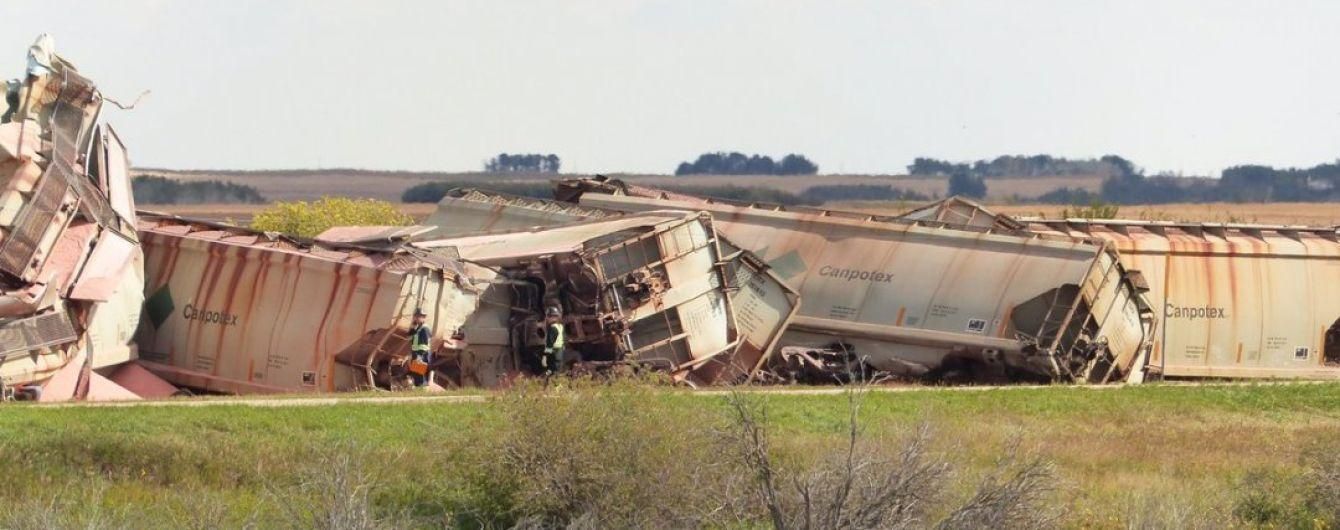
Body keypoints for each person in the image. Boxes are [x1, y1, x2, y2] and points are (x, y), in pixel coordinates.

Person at [409, 308, 432, 388]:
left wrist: (420, 356)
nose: (417, 318)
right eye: (416, 316)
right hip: (416, 353)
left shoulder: (424, 328)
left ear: (423, 318)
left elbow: (425, 344)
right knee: (416, 373)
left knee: (420, 373)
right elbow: (409, 335)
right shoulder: (418, 328)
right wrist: (413, 326)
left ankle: (422, 388)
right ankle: (419, 388)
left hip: (422, 354)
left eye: (420, 317)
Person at [543, 306, 565, 375]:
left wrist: (545, 357)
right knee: (558, 370)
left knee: (551, 371)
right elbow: (564, 339)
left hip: (554, 353)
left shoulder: (552, 328)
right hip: (560, 352)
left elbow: (550, 344)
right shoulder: (560, 327)